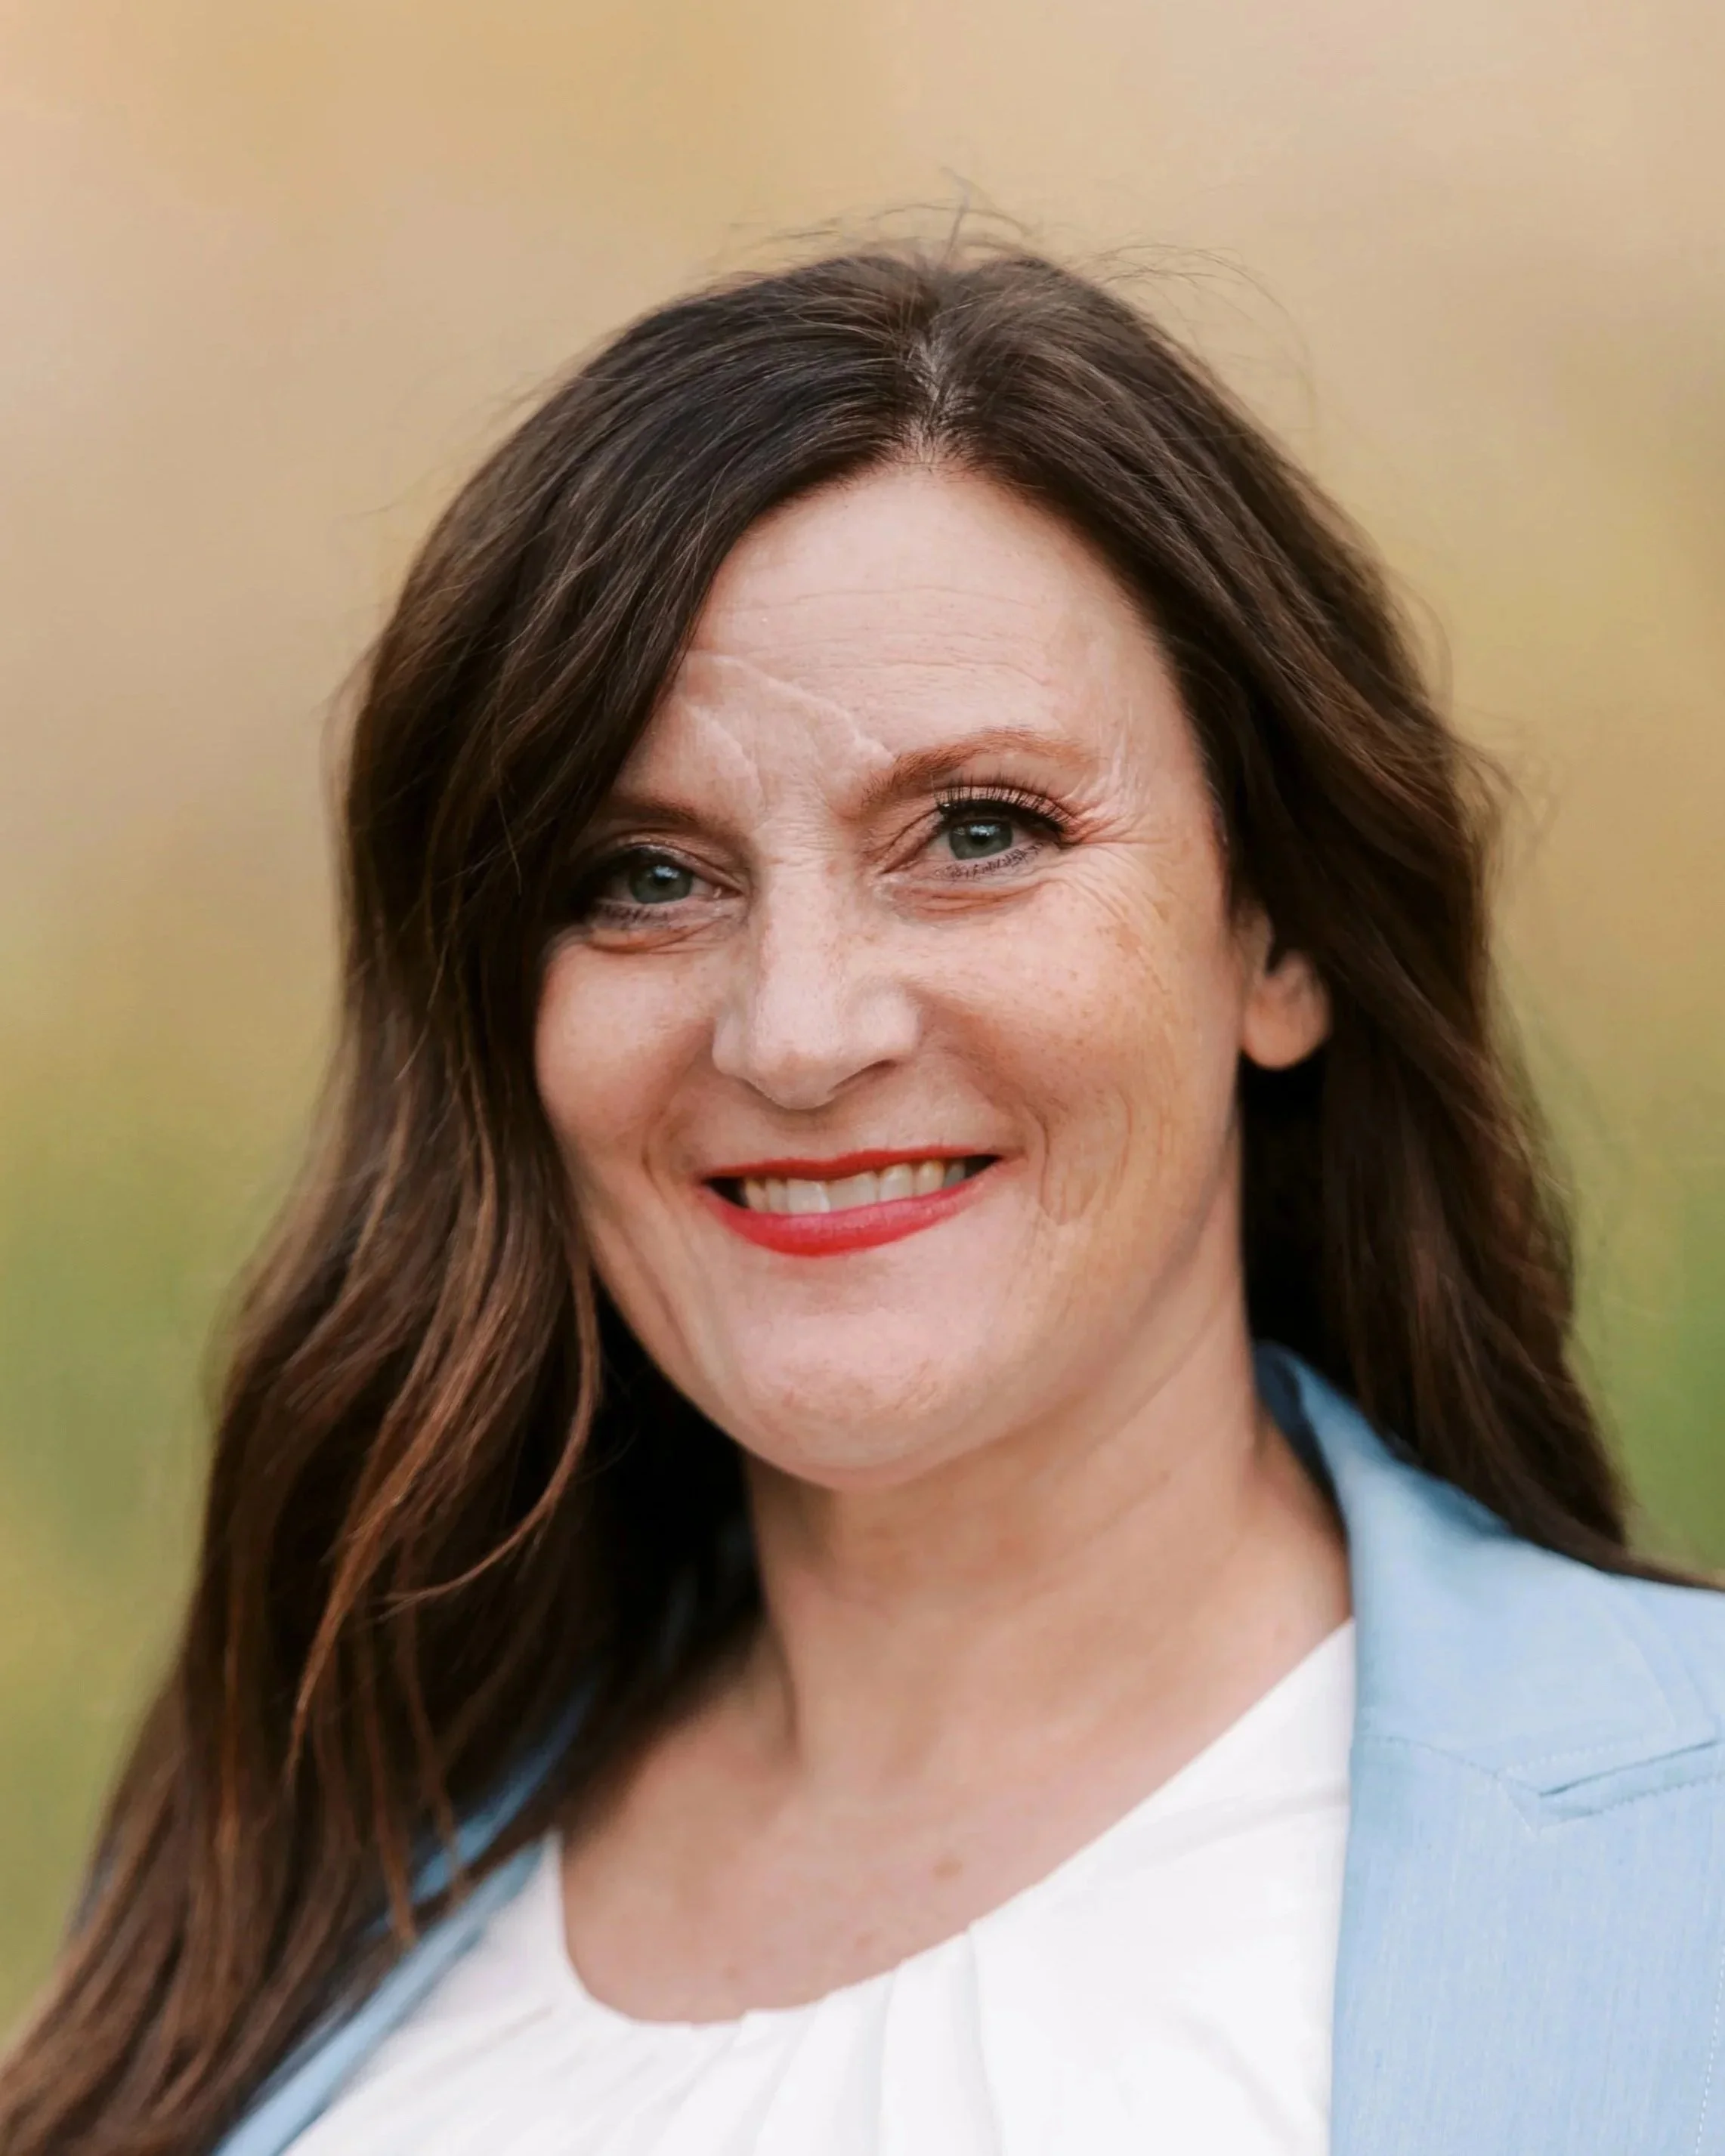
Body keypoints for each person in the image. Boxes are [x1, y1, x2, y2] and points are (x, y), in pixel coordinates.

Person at [5, 244, 1723, 2156]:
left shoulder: (1681, 1875)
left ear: (1279, 931)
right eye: (642, 876)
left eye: (979, 832)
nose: (799, 1030)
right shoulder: (274, 1915)